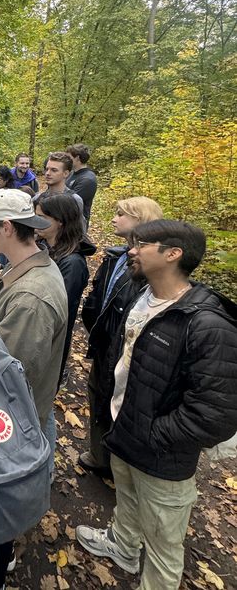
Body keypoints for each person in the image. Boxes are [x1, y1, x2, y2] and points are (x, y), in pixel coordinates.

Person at [76, 220, 237, 590]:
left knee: (164, 543)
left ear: (172, 254)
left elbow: (215, 415)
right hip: (125, 428)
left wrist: (153, 433)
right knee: (127, 499)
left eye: (142, 244)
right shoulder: (139, 293)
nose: (131, 250)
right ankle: (122, 545)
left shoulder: (208, 324)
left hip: (163, 455)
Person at [0, 189, 68, 590]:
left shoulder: (32, 297)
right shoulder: (29, 272)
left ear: (6, 228)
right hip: (19, 414)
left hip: (9, 425)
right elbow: (3, 323)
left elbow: (6, 378)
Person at [79, 196, 163, 475]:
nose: (114, 219)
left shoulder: (149, 268)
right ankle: (99, 454)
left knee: (116, 399)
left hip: (124, 348)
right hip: (105, 341)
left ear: (140, 221)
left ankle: (115, 463)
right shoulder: (117, 255)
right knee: (97, 392)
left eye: (121, 214)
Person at [35, 193, 96, 380]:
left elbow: (59, 308)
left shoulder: (72, 263)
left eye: (42, 217)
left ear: (60, 221)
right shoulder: (44, 246)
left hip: (49, 338)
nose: (36, 221)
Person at [65, 144, 97, 228]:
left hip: (76, 225)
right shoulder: (71, 173)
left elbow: (70, 203)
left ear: (78, 158)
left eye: (69, 158)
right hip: (66, 221)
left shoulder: (87, 179)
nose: (66, 161)